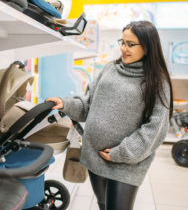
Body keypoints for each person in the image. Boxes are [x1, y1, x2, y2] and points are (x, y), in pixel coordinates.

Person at [46, 20, 173, 210]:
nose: (123, 48)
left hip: (127, 163)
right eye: (122, 42)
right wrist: (66, 104)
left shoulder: (157, 81)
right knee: (103, 204)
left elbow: (155, 129)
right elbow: (88, 104)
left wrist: (120, 153)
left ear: (148, 46)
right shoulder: (110, 69)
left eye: (130, 44)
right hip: (95, 155)